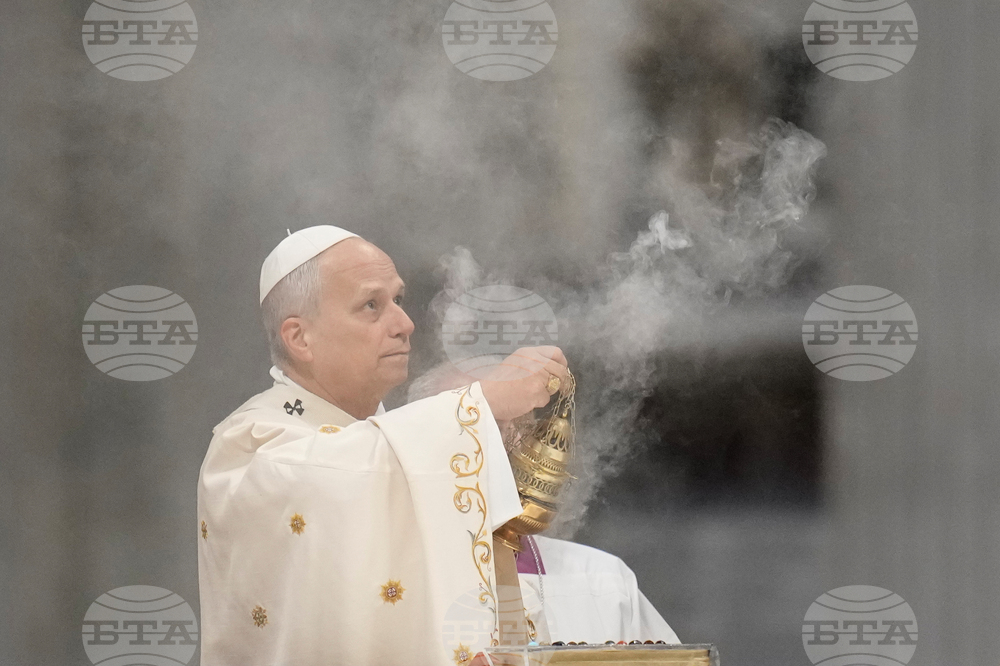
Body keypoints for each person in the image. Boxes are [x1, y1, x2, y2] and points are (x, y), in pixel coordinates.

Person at [197, 226, 569, 665]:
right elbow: (322, 481)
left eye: (399, 300)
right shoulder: (250, 445)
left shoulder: (397, 438)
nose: (405, 324)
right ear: (300, 337)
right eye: (372, 305)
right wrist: (479, 406)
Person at [408, 365, 681, 646]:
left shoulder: (603, 582)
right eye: (478, 424)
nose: (511, 441)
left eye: (522, 424)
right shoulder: (390, 580)